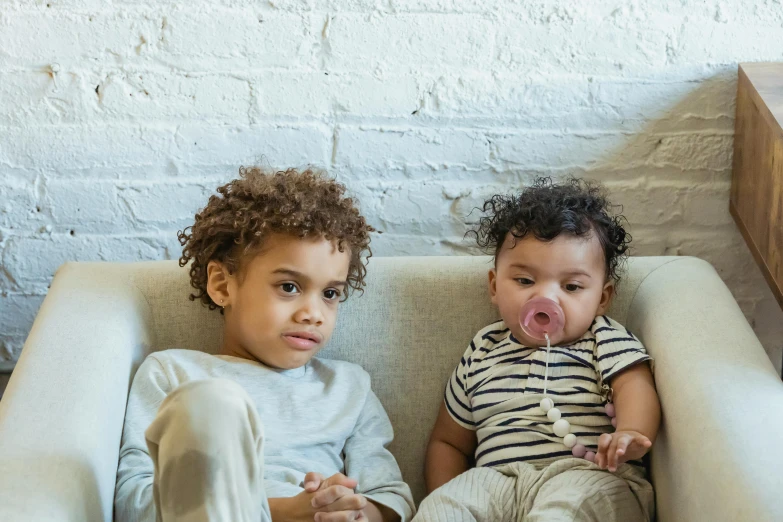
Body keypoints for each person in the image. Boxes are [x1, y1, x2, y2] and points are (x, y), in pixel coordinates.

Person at [114, 167, 414, 522]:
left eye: (331, 293)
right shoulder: (173, 373)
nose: (313, 313)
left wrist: (349, 511)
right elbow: (134, 501)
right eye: (289, 287)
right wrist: (282, 512)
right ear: (223, 286)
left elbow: (391, 497)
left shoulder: (350, 388)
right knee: (210, 401)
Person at [416, 177, 660, 522]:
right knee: (441, 510)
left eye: (572, 286)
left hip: (584, 475)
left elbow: (634, 384)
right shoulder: (483, 349)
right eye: (525, 281)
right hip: (497, 482)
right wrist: (447, 495)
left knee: (568, 509)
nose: (544, 298)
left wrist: (630, 433)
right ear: (494, 286)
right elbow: (449, 442)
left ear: (602, 298)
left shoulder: (603, 338)